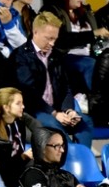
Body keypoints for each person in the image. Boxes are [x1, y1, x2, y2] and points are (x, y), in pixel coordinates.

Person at [11, 11, 93, 148]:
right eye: (48, 38)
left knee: (86, 122)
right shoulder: (20, 57)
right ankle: (71, 156)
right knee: (53, 125)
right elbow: (29, 94)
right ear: (35, 32)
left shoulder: (56, 56)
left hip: (57, 110)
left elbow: (66, 88)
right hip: (33, 111)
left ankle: (84, 157)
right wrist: (54, 113)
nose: (52, 43)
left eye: (55, 39)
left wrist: (68, 111)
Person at [0, 87, 40, 187]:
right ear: (6, 107)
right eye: (18, 103)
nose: (23, 106)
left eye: (22, 103)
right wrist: (23, 157)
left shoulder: (19, 123)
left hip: (15, 173)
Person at [19, 128, 91, 187]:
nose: (62, 150)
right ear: (42, 148)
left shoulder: (67, 176)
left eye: (62, 146)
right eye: (57, 146)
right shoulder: (32, 175)